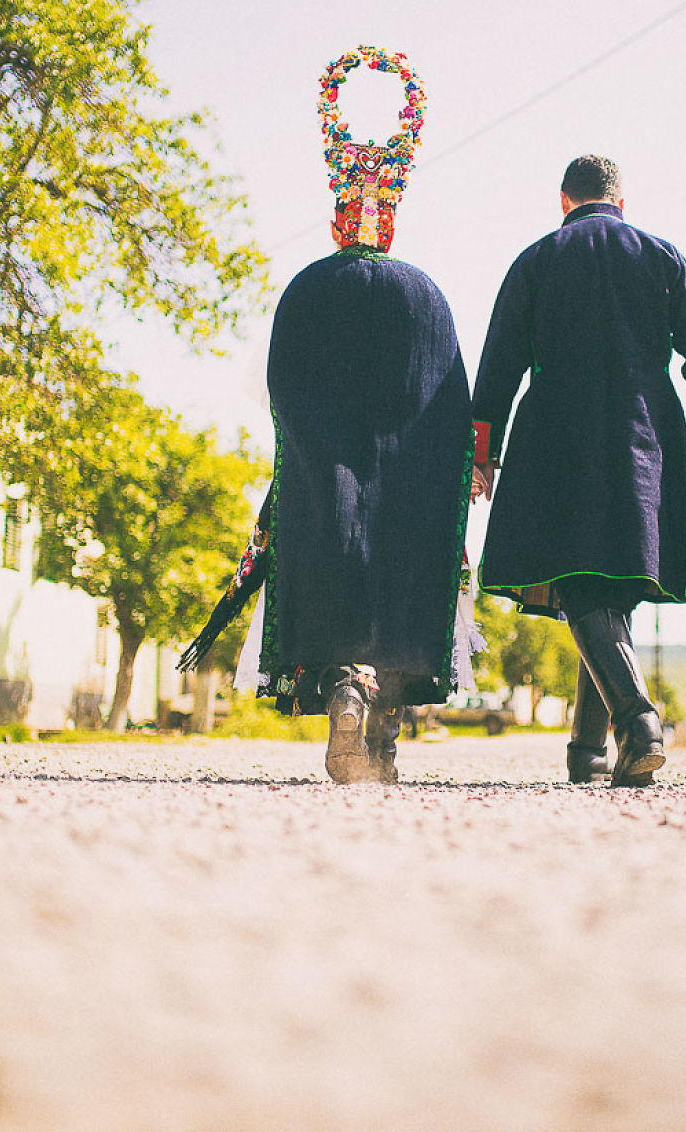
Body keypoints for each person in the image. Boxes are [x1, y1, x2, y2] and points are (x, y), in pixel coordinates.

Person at [182, 46, 478, 784]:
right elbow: (453, 403)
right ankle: (383, 733)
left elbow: (274, 391)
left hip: (327, 476)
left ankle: (346, 692)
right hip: (410, 479)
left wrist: (313, 457)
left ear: (338, 213)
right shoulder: (428, 296)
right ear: (392, 217)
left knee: (339, 582)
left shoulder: (307, 291)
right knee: (403, 587)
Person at [470, 154, 686, 787]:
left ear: (563, 201)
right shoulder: (661, 255)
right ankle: (588, 754)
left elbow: (498, 364)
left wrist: (480, 453)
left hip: (554, 438)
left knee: (579, 580)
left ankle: (637, 722)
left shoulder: (537, 259)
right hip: (642, 434)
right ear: (621, 202)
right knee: (609, 583)